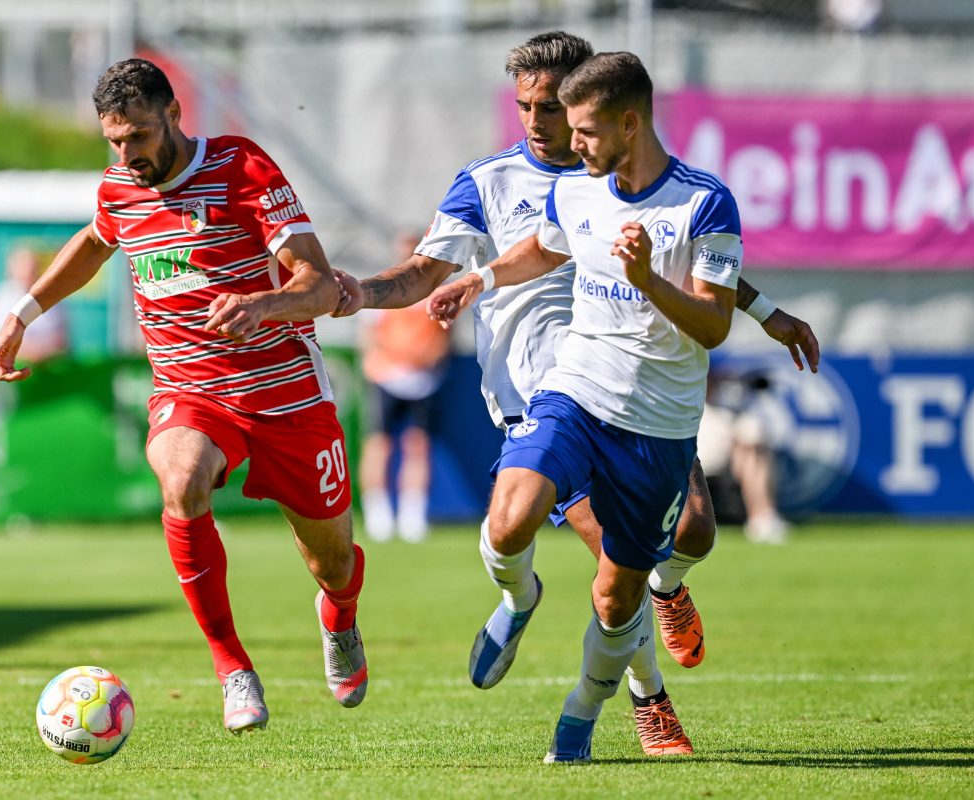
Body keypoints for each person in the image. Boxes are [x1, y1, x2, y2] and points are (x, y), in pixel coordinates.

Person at [334, 32, 819, 757]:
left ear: (594, 107)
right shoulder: (493, 182)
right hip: (545, 393)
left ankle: (664, 589)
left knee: (692, 532)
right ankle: (636, 690)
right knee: (583, 556)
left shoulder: (640, 182)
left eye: (552, 108)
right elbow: (426, 271)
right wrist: (364, 292)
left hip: (645, 396)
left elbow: (691, 257)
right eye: (525, 106)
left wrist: (763, 309)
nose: (536, 121)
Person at [0, 58, 368, 734]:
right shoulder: (118, 187)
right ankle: (232, 668)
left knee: (332, 563)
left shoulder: (242, 167)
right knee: (182, 477)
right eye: (114, 140)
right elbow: (96, 241)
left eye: (137, 136)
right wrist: (25, 311)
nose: (126, 154)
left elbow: (320, 284)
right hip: (191, 391)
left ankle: (339, 614)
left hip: (284, 393)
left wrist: (263, 303)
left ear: (173, 115)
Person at [425, 49, 759, 764]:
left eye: (582, 128)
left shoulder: (704, 201)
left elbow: (713, 324)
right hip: (573, 391)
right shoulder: (576, 189)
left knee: (636, 581)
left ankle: (581, 710)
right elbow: (545, 249)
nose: (569, 143)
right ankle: (525, 602)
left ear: (628, 124)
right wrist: (480, 280)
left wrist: (649, 280)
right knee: (509, 520)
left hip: (657, 423)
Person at [358, 233, 453, 543]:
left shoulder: (437, 291)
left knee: (418, 445)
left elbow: (445, 337)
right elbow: (369, 338)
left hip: (425, 382)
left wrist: (427, 357)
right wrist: (399, 357)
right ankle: (378, 514)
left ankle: (413, 516)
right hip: (386, 377)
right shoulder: (382, 287)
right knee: (379, 444)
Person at [698, 370, 791, 544]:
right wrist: (721, 377)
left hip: (728, 418)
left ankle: (763, 517)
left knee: (752, 435)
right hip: (698, 416)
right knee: (748, 435)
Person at [0, 247, 68, 362]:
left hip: (46, 365)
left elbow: (61, 338)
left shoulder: (53, 296)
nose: (28, 271)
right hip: (4, 363)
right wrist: (24, 351)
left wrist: (40, 352)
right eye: (23, 267)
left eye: (32, 267)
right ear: (12, 269)